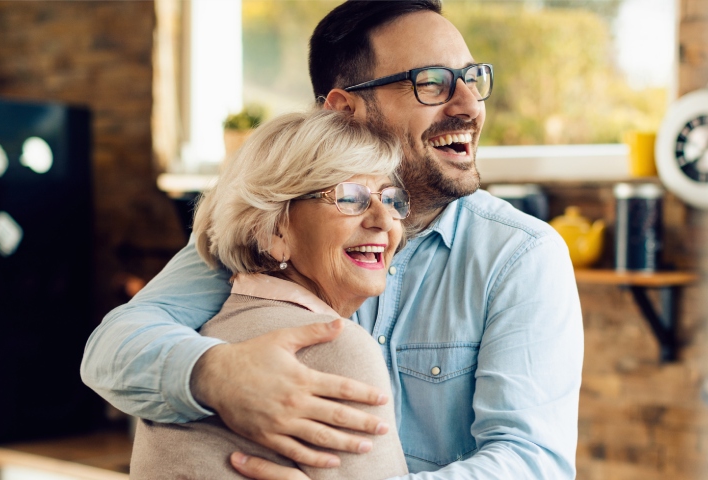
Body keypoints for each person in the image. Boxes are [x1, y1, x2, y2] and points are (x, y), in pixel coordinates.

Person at [81, 1, 584, 478]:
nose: (470, 105)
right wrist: (217, 375)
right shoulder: (273, 229)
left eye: (473, 79)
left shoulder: (519, 255)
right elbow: (111, 350)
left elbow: (531, 462)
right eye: (431, 83)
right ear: (344, 109)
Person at [130, 109, 409, 479]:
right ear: (273, 231)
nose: (384, 220)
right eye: (350, 197)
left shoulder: (193, 333)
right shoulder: (337, 349)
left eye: (390, 198)